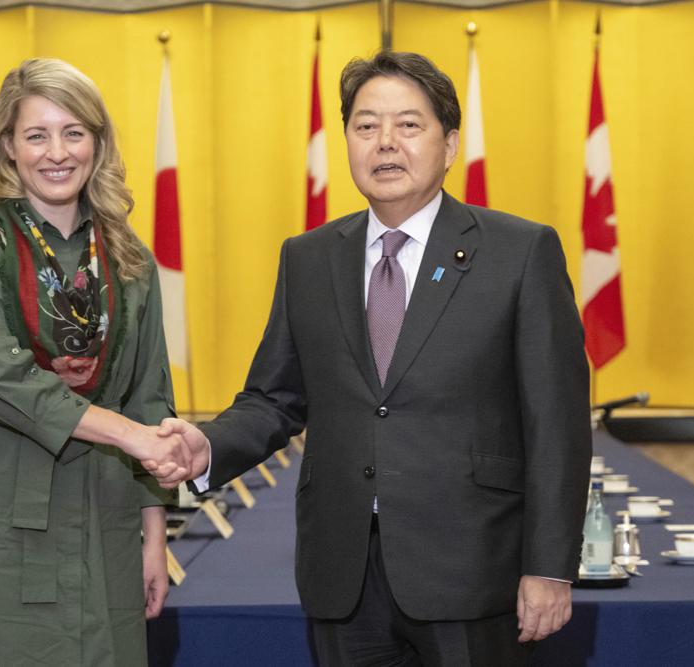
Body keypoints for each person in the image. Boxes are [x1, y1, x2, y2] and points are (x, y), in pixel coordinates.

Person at [155, 51, 591, 666]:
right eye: (366, 126)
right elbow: (275, 398)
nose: (385, 143)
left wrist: (550, 566)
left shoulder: (519, 252)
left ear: (450, 143)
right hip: (344, 573)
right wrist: (208, 446)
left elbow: (557, 425)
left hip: (471, 571)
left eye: (409, 125)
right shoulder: (308, 257)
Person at [0, 58, 191, 666]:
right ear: (9, 145)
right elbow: (0, 379)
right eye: (37, 135)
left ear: (97, 142)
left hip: (103, 511)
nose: (56, 152)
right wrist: (133, 436)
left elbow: (150, 396)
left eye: (74, 132)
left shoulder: (130, 256)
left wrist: (155, 538)